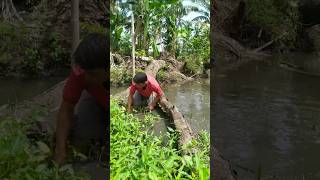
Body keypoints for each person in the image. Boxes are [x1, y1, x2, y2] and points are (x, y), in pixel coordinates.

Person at [54, 33, 109, 164]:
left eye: (93, 74)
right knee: (85, 137)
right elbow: (66, 110)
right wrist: (60, 150)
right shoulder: (80, 74)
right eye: (86, 73)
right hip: (95, 100)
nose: (87, 78)